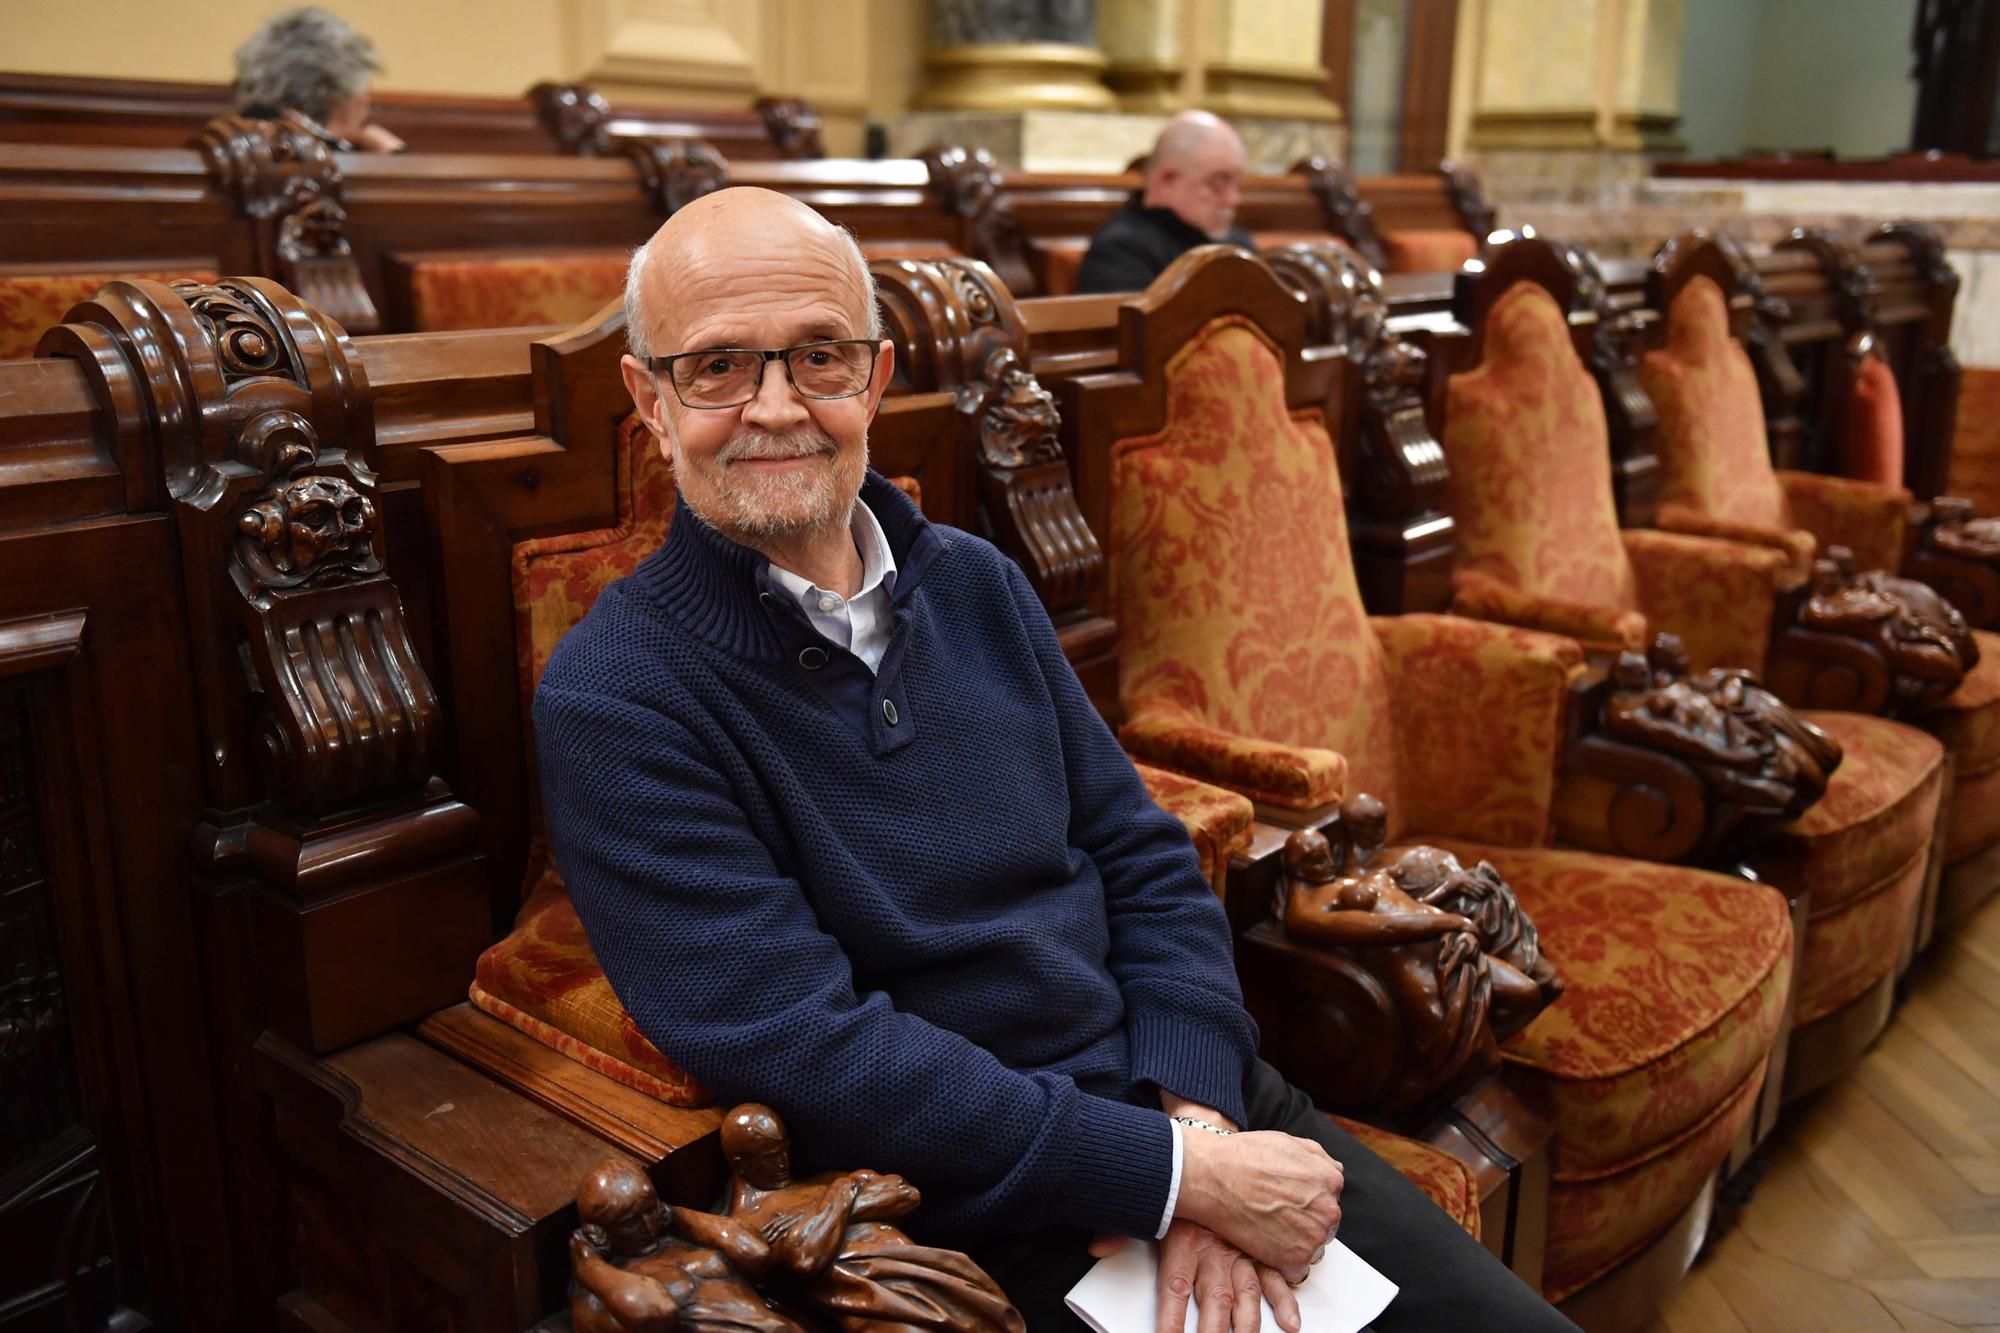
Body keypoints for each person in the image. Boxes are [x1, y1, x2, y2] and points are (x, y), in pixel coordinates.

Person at [535, 184, 1578, 1333]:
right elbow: (808, 1046)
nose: (775, 406)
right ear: (649, 395)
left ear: (875, 379)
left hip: (1183, 1093)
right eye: (718, 366)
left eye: (819, 358)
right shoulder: (615, 696)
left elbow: (1138, 854)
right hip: (969, 1202)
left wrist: (1194, 1121)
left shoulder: (975, 582)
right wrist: (1164, 1179)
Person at [1075, 110, 1254, 294]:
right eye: (1217, 183)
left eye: (1237, 184)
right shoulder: (1120, 250)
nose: (1233, 199)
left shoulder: (1237, 244)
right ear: (1168, 179)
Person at [233, 7, 407, 153]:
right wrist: (398, 156)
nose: (365, 107)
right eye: (363, 91)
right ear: (341, 93)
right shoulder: (322, 159)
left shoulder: (236, 135)